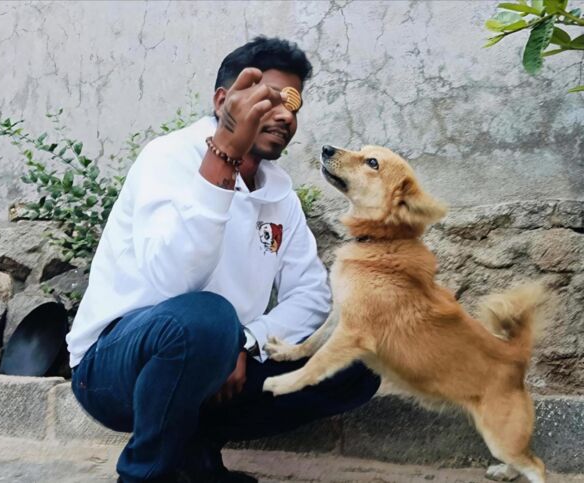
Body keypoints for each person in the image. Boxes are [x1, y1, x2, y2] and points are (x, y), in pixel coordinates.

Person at [67, 36, 380, 483]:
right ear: (223, 101)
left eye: (294, 104)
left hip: (223, 357)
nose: (286, 115)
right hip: (113, 367)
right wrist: (225, 155)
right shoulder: (169, 157)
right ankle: (145, 474)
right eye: (269, 98)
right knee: (207, 319)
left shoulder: (279, 193)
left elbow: (310, 295)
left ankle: (195, 458)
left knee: (355, 362)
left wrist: (248, 342)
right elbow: (171, 280)